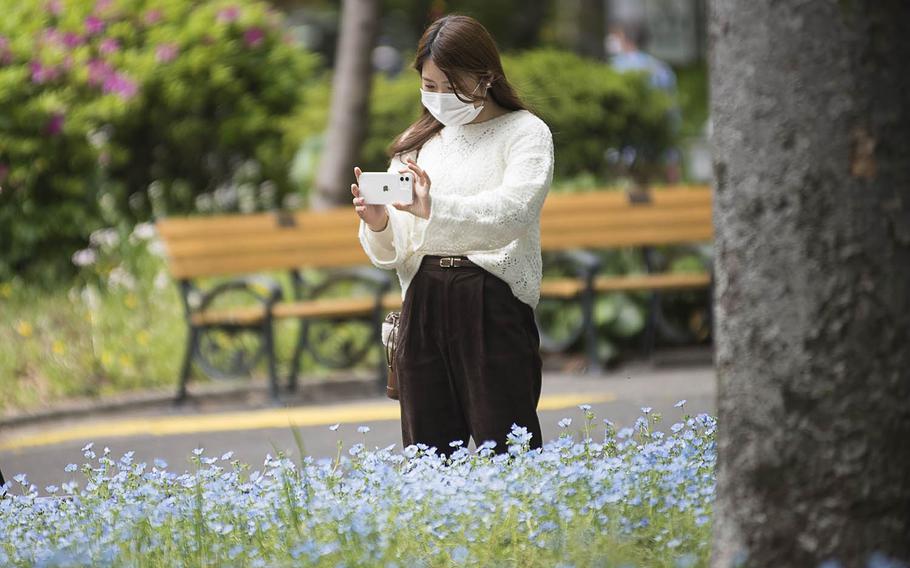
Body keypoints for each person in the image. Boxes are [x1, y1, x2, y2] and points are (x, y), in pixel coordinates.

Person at [350, 14, 554, 456]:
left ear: (486, 77)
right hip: (422, 301)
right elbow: (397, 247)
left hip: (490, 299)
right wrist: (378, 222)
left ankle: (519, 526)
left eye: (452, 85)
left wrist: (433, 208)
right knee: (427, 454)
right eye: (429, 85)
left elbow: (512, 213)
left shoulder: (525, 133)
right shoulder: (417, 142)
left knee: (509, 450)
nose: (439, 98)